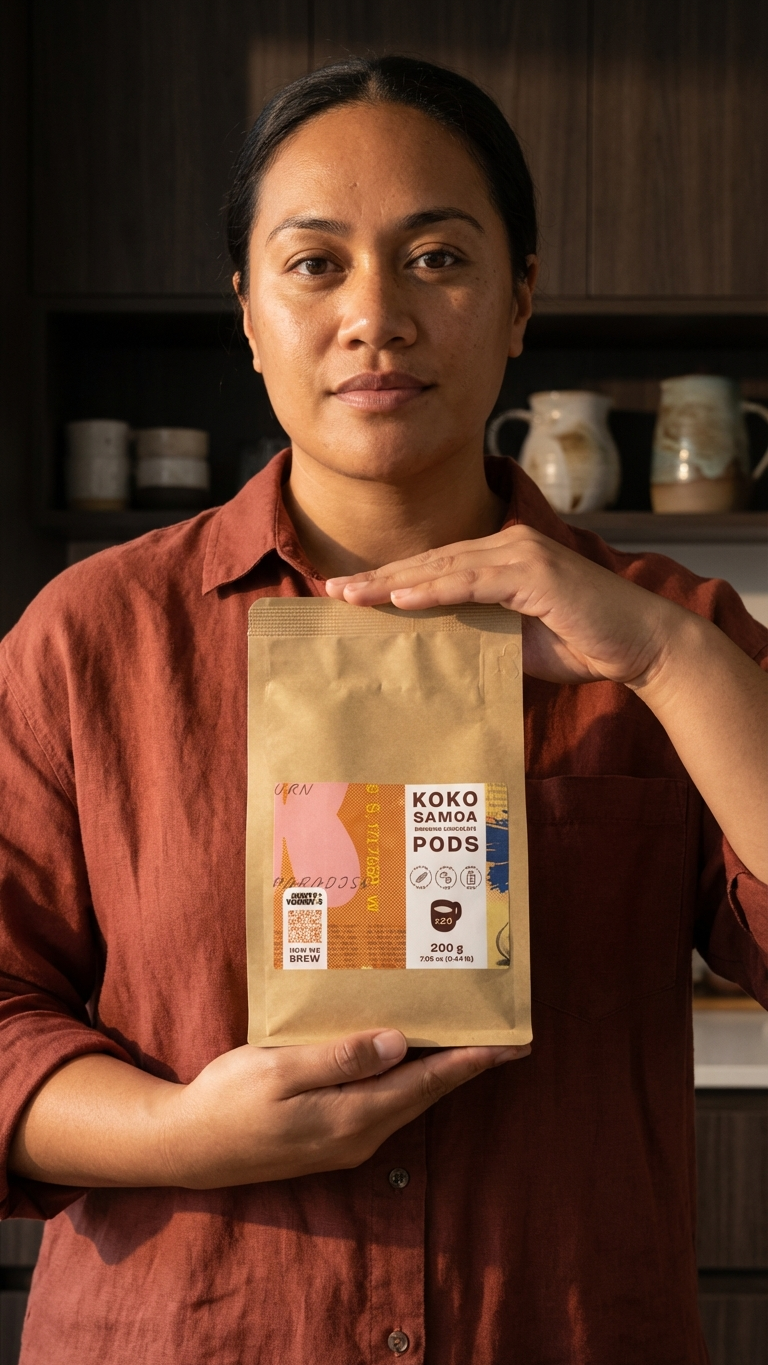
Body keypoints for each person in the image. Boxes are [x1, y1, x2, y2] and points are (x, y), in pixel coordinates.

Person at [0, 56, 765, 1365]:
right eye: (314, 264)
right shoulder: (89, 636)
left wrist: (666, 661)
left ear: (521, 298)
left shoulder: (672, 633)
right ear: (246, 313)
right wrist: (193, 1134)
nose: (376, 315)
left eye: (437, 259)